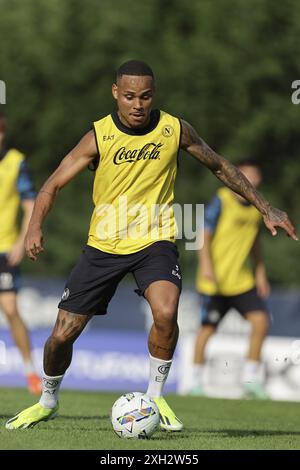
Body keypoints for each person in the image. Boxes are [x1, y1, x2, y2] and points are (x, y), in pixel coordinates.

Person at [5, 60, 297, 431]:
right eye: (129, 96)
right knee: (61, 336)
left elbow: (221, 166)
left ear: (153, 95)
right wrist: (34, 227)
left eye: (144, 96)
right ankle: (47, 400)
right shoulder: (99, 136)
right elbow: (52, 184)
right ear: (116, 94)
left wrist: (265, 206)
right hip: (104, 247)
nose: (137, 104)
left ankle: (155, 397)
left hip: (154, 242)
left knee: (165, 311)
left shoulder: (175, 129)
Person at [191, 159, 272, 399]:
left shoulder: (259, 208)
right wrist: (206, 266)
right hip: (215, 281)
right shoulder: (222, 199)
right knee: (207, 329)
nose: (251, 181)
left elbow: (255, 242)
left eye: (255, 177)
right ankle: (195, 382)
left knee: (261, 322)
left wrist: (260, 272)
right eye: (246, 176)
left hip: (241, 281)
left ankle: (252, 380)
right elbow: (202, 232)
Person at [0, 112, 41, 394]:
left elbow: (30, 204)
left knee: (11, 309)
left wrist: (21, 241)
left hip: (4, 248)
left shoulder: (16, 162)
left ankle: (30, 373)